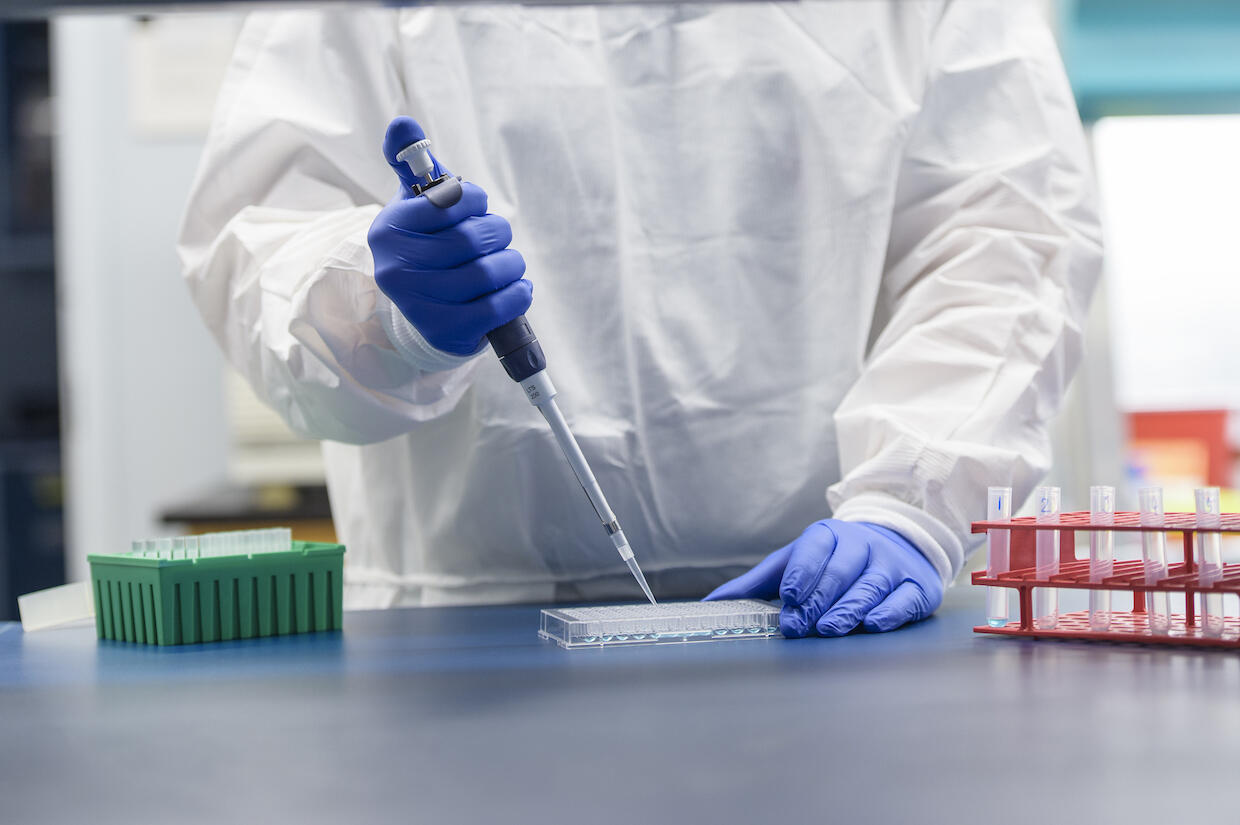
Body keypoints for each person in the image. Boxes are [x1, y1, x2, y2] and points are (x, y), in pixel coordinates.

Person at [178, 1, 1102, 637]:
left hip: (834, 611)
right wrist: (383, 309)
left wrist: (912, 499)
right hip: (464, 635)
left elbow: (1006, 242)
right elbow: (262, 247)